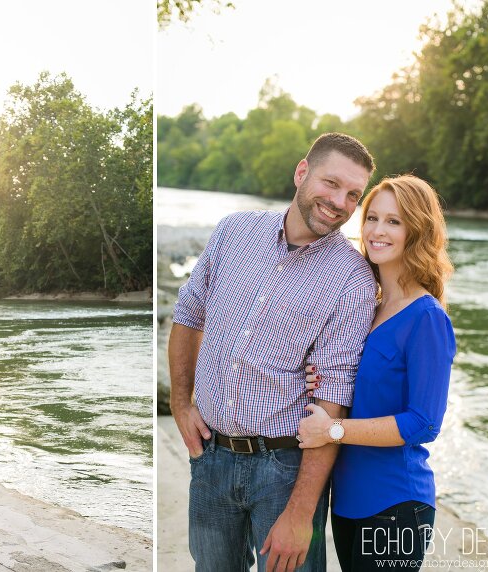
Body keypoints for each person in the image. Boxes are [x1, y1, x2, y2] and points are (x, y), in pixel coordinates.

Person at [169, 132, 378, 572]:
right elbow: (188, 312)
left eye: (353, 195)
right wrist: (180, 401)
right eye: (331, 183)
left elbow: (333, 398)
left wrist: (302, 513)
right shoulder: (234, 231)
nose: (341, 202)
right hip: (210, 458)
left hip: (285, 469)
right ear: (302, 172)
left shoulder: (353, 279)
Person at [297, 175, 456, 571]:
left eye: (394, 222)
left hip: (396, 504)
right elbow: (362, 385)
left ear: (416, 232)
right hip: (347, 500)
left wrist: (334, 430)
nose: (377, 231)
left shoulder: (427, 318)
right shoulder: (371, 305)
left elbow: (424, 423)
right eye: (372, 218)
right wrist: (323, 379)